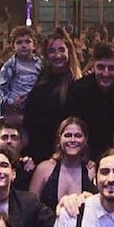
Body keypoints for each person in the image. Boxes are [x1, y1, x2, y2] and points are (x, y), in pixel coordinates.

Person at [65, 42, 114, 160]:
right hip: (86, 152)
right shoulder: (79, 88)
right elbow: (75, 125)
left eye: (111, 68)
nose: (105, 73)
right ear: (93, 66)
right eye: (100, 67)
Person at [24, 29, 81, 162]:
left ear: (69, 52)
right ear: (46, 55)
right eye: (52, 51)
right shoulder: (38, 84)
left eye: (61, 50)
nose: (57, 55)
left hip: (69, 153)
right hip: (41, 152)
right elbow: (29, 120)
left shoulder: (78, 85)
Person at [29, 117, 97, 212]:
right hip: (47, 226)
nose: (72, 140)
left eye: (78, 136)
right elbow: (30, 207)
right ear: (59, 139)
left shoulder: (91, 170)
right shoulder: (44, 169)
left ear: (85, 140)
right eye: (68, 135)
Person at [0, 26, 42, 128]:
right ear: (13, 46)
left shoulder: (40, 64)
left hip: (34, 110)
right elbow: (0, 88)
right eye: (19, 42)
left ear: (34, 45)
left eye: (27, 42)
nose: (23, 45)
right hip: (15, 111)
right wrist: (12, 100)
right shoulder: (10, 65)